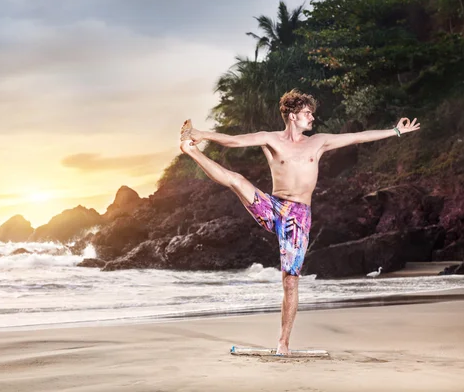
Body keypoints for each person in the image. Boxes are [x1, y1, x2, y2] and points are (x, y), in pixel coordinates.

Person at [179, 89, 420, 354]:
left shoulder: (318, 142)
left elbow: (357, 138)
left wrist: (395, 132)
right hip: (273, 207)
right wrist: (200, 135)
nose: (312, 118)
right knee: (236, 180)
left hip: (297, 217)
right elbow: (233, 141)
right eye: (307, 113)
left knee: (290, 280)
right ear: (292, 116)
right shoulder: (270, 139)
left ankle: (283, 343)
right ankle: (191, 152)